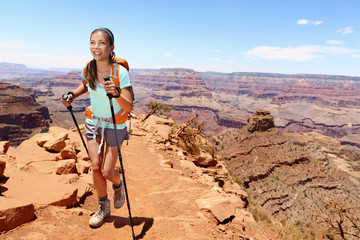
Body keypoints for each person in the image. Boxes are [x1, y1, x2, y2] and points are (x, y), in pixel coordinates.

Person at [61, 27, 134, 228]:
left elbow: (129, 105)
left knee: (108, 171)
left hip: (115, 124)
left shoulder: (121, 72)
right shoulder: (89, 67)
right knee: (95, 166)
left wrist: (117, 94)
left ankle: (118, 185)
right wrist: (72, 95)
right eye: (93, 42)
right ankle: (103, 206)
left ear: (111, 47)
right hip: (93, 122)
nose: (96, 47)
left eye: (102, 43)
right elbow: (86, 84)